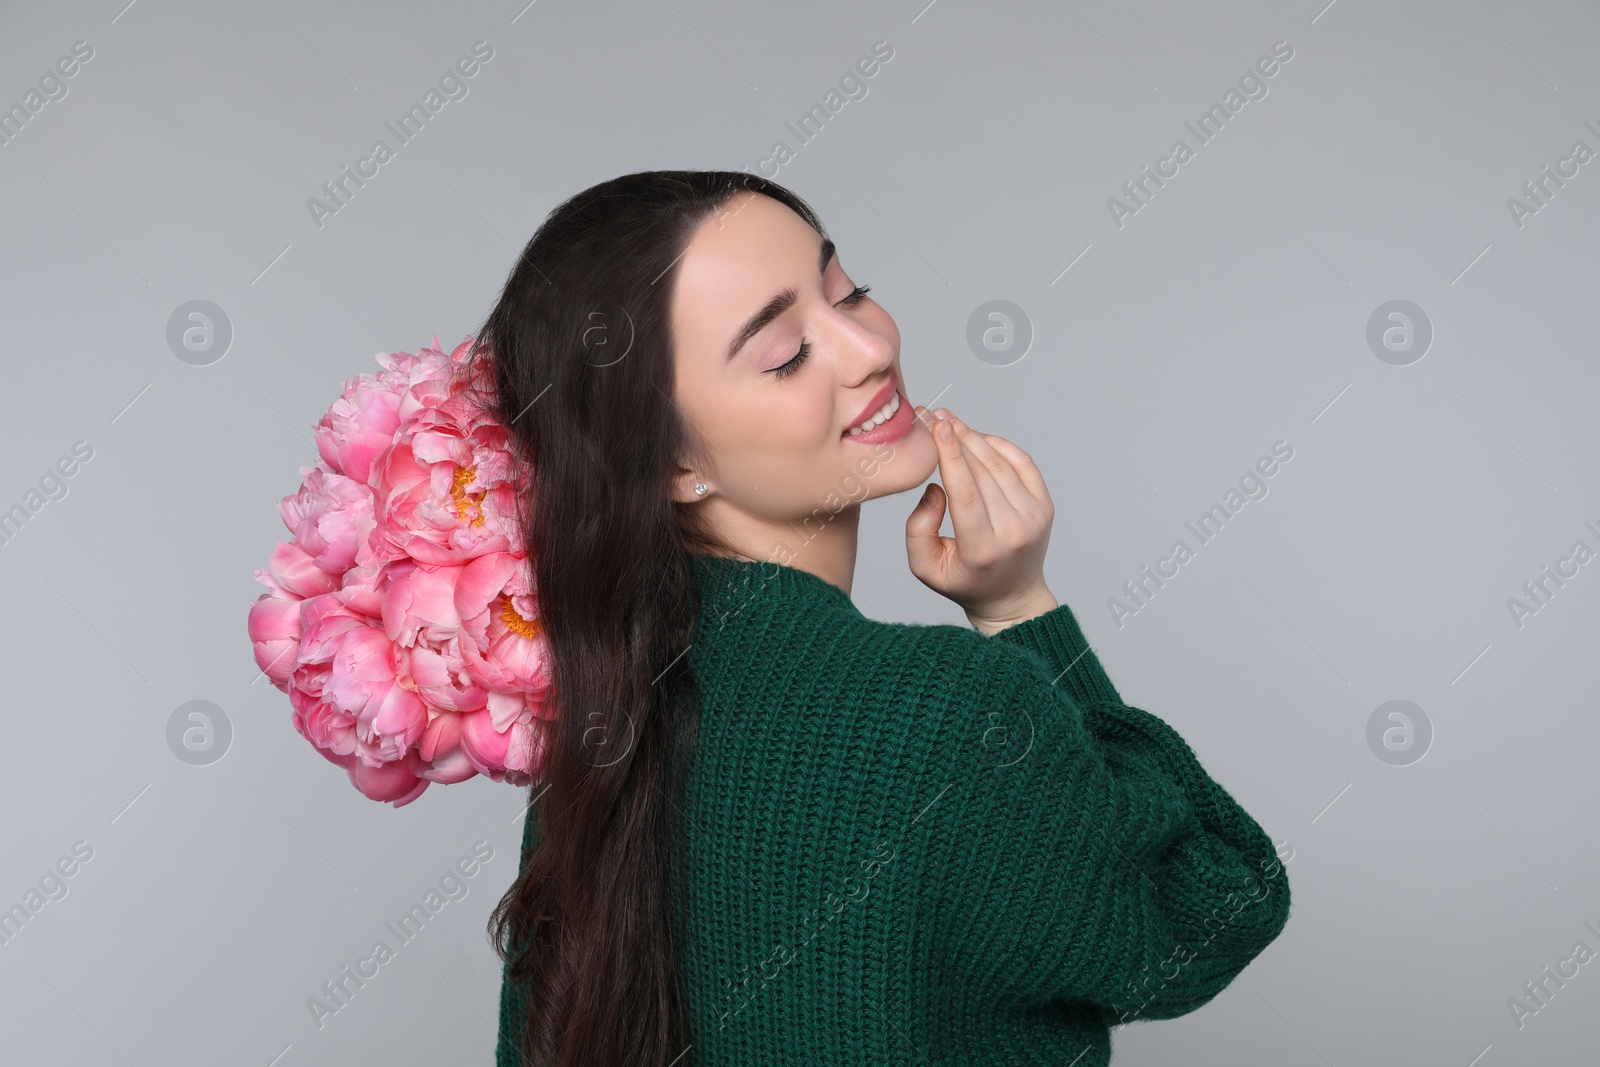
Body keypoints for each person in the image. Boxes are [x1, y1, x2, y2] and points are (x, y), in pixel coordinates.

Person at [480, 170, 1291, 1067]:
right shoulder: (949, 709)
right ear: (672, 465)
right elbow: (1214, 905)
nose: (866, 347)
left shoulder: (599, 731)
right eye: (786, 352)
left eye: (847, 292)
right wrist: (1023, 610)